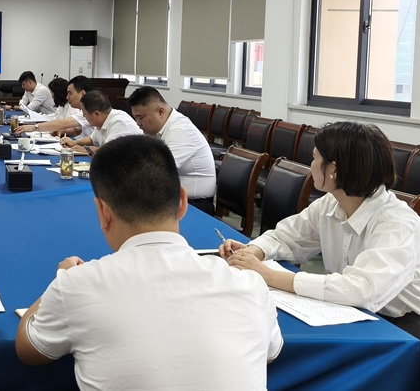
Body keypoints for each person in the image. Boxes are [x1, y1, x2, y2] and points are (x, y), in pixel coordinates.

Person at [15, 136, 283, 389]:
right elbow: (269, 353)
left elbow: (28, 349)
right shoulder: (250, 285)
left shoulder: (77, 285)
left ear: (103, 212)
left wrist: (62, 278)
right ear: (182, 202)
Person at [220, 121, 420, 391]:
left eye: (314, 158)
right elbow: (288, 236)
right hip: (361, 318)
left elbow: (360, 290)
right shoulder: (333, 203)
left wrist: (268, 275)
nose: (310, 165)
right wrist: (253, 251)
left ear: (333, 169)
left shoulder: (396, 223)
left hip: (414, 338)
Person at [128, 87, 217, 215]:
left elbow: (155, 171)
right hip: (173, 199)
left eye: (140, 117)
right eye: (135, 118)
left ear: (161, 111)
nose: (138, 123)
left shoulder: (181, 131)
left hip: (195, 205)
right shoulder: (161, 129)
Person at [57, 91, 140, 154]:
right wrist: (75, 143)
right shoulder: (103, 121)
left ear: (96, 114)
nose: (83, 116)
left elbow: (108, 150)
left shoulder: (120, 123)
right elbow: (92, 139)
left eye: (84, 113)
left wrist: (87, 149)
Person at [15, 76, 92, 138]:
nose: (67, 97)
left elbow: (63, 123)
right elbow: (76, 130)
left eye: (70, 94)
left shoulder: (89, 111)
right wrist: (63, 131)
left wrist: (34, 127)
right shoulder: (82, 111)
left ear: (82, 94)